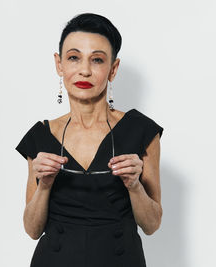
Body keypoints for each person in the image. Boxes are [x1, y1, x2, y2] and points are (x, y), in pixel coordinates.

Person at [15, 13, 164, 267]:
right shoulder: (41, 135)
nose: (84, 70)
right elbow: (31, 229)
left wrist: (134, 185)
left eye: (97, 60)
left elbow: (151, 225)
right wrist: (45, 185)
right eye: (74, 58)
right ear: (59, 64)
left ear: (113, 69)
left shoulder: (140, 130)